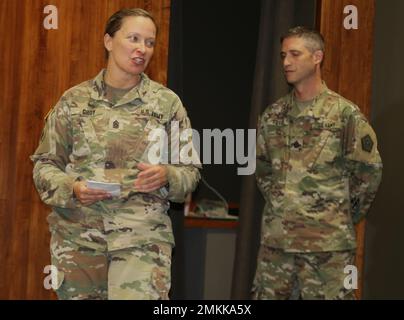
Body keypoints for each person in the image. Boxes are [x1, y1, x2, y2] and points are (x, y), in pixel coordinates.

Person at [31, 8, 201, 300]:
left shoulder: (166, 104)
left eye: (149, 42)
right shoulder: (73, 101)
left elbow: (191, 173)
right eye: (133, 38)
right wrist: (72, 188)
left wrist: (167, 175)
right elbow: (44, 165)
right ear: (108, 41)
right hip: (79, 241)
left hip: (141, 242)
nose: (142, 49)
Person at [252, 26, 382, 300]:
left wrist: (341, 215)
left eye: (295, 54)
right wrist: (285, 207)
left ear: (317, 57)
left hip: (328, 252)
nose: (286, 62)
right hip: (277, 248)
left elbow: (368, 174)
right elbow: (263, 171)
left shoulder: (344, 115)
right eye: (283, 55)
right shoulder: (272, 116)